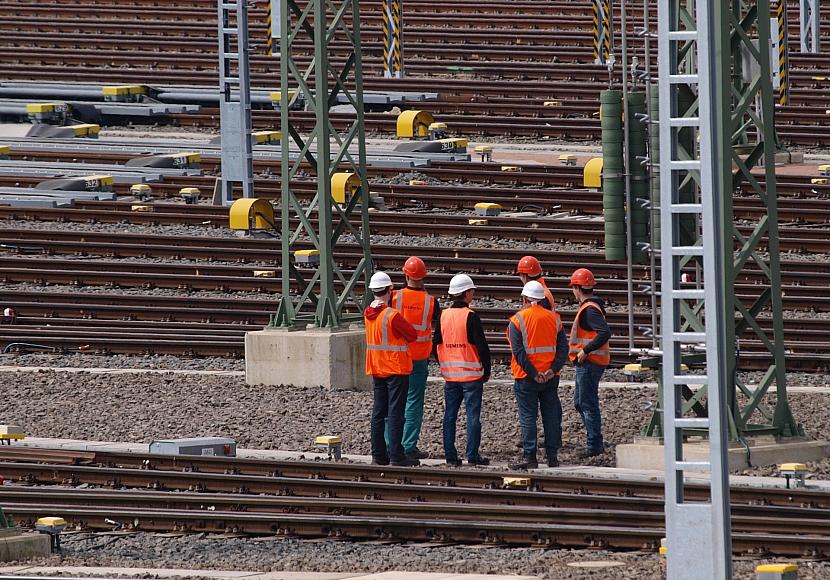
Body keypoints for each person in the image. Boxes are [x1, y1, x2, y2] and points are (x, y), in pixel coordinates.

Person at [506, 281, 568, 470]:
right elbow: (563, 348)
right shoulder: (554, 319)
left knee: (528, 416)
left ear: (525, 298)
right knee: (550, 416)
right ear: (541, 299)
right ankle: (552, 457)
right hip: (550, 377)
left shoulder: (518, 320)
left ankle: (530, 456)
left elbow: (518, 352)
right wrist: (551, 370)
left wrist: (534, 374)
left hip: (526, 377)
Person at [385, 256, 441, 460]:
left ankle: (388, 443)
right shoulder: (431, 302)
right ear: (424, 276)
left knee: (392, 401)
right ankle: (408, 445)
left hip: (396, 357)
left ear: (405, 274)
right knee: (413, 402)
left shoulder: (394, 297)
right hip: (418, 359)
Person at [433, 273, 491, 467]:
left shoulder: (443, 316)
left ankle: (451, 456)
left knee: (450, 415)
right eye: (472, 290)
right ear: (466, 293)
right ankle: (472, 455)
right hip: (471, 376)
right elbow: (482, 347)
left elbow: (436, 345)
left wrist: (444, 365)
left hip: (450, 376)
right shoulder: (471, 316)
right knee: (472, 415)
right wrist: (487, 370)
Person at [364, 271, 420, 467]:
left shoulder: (368, 313)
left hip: (376, 367)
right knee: (396, 413)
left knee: (379, 413)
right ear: (390, 290)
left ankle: (378, 455)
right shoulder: (392, 315)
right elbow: (412, 334)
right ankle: (397, 455)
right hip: (395, 368)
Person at [568, 268, 611, 459]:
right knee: (580, 402)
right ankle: (594, 438)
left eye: (573, 288)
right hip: (590, 363)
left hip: (590, 363)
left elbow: (604, 332)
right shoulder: (591, 307)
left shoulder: (589, 310)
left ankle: (594, 444)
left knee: (587, 403)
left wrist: (585, 350)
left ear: (578, 288)